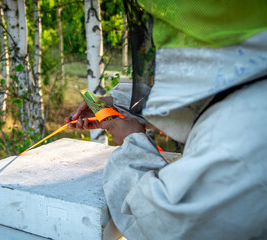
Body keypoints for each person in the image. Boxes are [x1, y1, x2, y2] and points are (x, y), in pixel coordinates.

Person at [66, 0, 267, 239]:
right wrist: (119, 104)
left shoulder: (239, 140)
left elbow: (165, 224)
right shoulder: (252, 85)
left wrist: (132, 142)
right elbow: (207, 91)